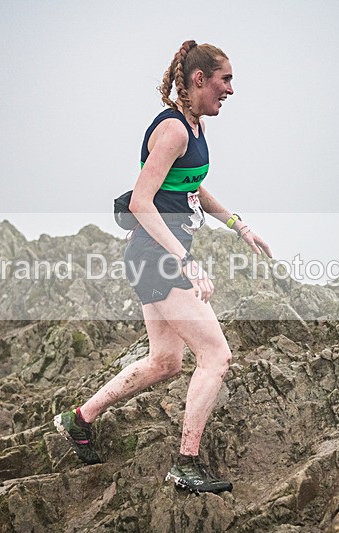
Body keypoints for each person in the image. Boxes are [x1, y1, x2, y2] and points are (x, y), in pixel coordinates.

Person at [54, 40, 272, 493]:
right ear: (199, 80)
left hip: (154, 256)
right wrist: (186, 260)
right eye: (225, 80)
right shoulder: (173, 130)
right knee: (216, 355)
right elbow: (140, 200)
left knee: (165, 362)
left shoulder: (195, 127)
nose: (230, 90)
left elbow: (193, 186)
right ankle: (186, 463)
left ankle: (80, 419)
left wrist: (238, 225)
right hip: (155, 256)